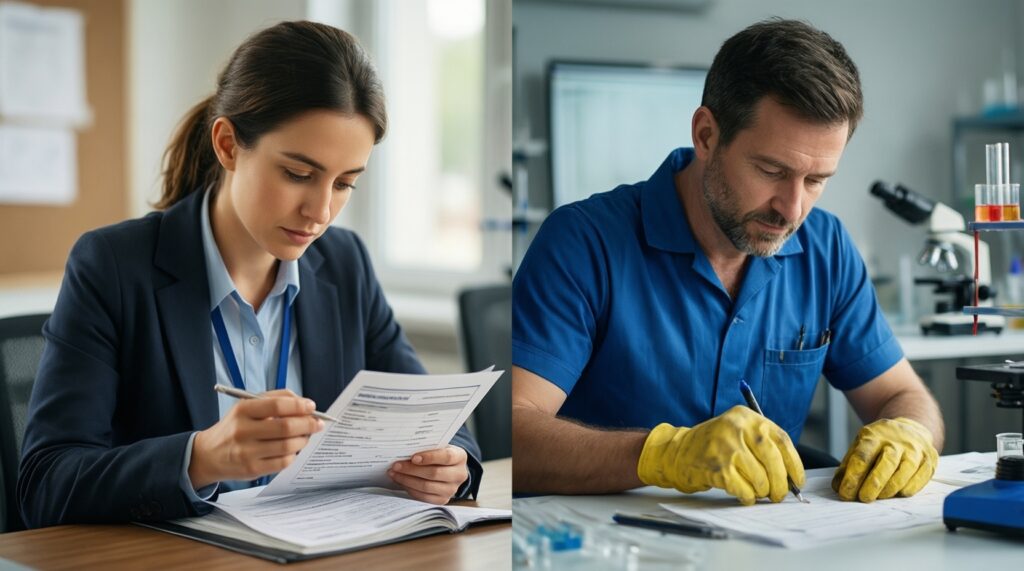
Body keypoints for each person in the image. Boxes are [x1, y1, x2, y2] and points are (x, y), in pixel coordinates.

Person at [18, 21, 481, 528]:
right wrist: (203, 457)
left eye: (345, 183)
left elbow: (438, 422)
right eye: (298, 175)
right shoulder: (112, 265)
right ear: (228, 145)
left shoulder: (344, 263)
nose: (321, 211)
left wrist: (450, 464)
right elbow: (46, 483)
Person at [511, 18, 943, 505]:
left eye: (817, 180)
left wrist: (911, 433)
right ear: (706, 135)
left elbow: (901, 395)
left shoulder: (826, 248)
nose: (793, 208)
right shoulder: (583, 242)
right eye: (771, 170)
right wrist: (663, 454)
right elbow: (514, 435)